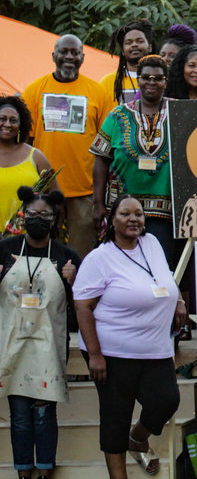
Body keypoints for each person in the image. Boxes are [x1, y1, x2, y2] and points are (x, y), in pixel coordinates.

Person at [73, 195, 187, 479]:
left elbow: (163, 276)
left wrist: (177, 300)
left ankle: (137, 438)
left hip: (155, 347)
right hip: (112, 351)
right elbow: (83, 306)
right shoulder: (99, 258)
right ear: (111, 221)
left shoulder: (152, 244)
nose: (133, 219)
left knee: (166, 400)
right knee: (116, 414)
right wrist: (96, 355)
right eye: (125, 214)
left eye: (139, 214)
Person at [0, 187, 79, 479]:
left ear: (54, 219)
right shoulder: (5, 248)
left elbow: (79, 305)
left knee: (45, 413)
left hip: (48, 344)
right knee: (19, 414)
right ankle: (23, 469)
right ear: (22, 216)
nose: (37, 219)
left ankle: (45, 468)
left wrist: (74, 281)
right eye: (31, 214)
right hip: (11, 342)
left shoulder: (66, 255)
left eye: (44, 215)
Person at [24, 34, 112, 257]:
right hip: (44, 190)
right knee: (43, 252)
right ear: (53, 55)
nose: (69, 57)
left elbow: (107, 144)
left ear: (83, 57)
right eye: (64, 52)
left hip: (85, 190)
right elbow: (27, 142)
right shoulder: (34, 90)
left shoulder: (98, 92)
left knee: (81, 255)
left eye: (75, 52)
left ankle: (79, 293)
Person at [91, 55, 176, 264]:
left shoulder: (179, 112)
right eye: (146, 77)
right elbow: (101, 160)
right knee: (122, 264)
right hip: (121, 210)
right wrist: (98, 204)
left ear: (166, 81)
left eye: (158, 78)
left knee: (161, 265)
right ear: (138, 80)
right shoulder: (118, 115)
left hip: (166, 212)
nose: (151, 82)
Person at [0, 96, 54, 227]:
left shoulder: (36, 156)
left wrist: (36, 217)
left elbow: (54, 197)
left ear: (21, 125)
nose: (7, 124)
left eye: (13, 120)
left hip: (27, 237)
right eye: (2, 119)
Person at [101, 19, 154, 105]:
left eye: (139, 41)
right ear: (122, 51)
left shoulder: (160, 79)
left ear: (150, 47)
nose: (134, 45)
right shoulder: (108, 82)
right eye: (128, 43)